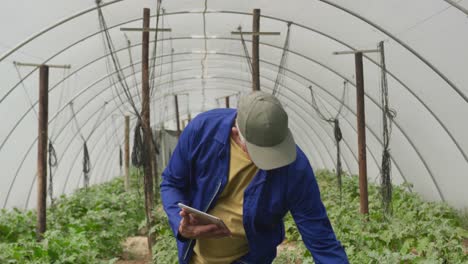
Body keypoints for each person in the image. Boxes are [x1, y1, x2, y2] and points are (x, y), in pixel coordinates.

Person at [161, 91, 348, 264]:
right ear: (236, 134)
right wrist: (180, 225)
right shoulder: (202, 131)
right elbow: (171, 182)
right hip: (195, 257)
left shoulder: (294, 167)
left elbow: (321, 239)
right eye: (261, 153)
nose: (273, 161)